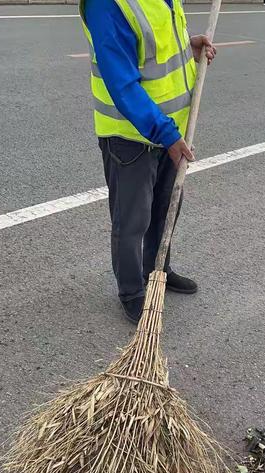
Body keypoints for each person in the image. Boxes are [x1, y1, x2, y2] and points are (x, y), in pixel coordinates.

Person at [79, 0, 216, 323]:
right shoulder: (107, 5)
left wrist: (189, 50)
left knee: (166, 208)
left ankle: (157, 270)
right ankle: (132, 292)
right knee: (132, 220)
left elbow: (158, 53)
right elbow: (122, 84)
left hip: (171, 128)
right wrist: (164, 133)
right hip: (130, 136)